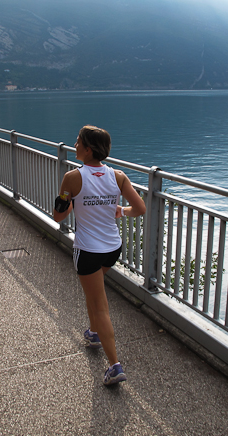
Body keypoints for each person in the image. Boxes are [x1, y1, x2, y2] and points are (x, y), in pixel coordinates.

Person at [54, 125, 146, 386]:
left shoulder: (72, 178)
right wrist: (121, 211)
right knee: (93, 292)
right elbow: (140, 208)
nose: (74, 145)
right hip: (112, 248)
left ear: (88, 149)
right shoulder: (118, 176)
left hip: (88, 250)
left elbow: (58, 215)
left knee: (100, 304)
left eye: (78, 141)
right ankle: (93, 333)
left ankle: (115, 366)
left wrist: (74, 203)